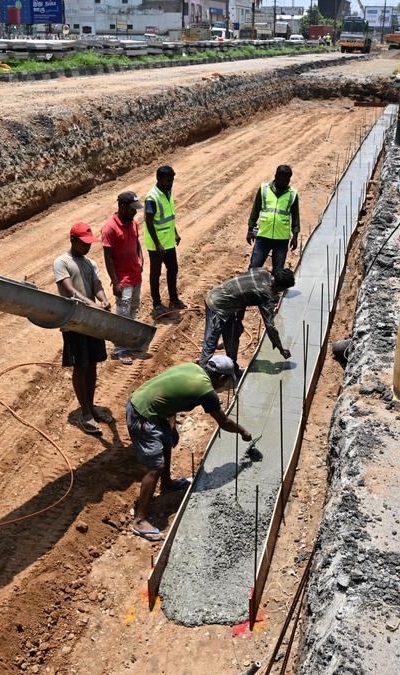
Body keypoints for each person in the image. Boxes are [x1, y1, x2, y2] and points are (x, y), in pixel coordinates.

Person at [127, 355, 252, 540]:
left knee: (167, 442)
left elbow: (171, 394)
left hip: (150, 406)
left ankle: (167, 484)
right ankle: (139, 520)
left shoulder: (192, 369)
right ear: (221, 378)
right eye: (226, 381)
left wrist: (172, 426)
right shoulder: (206, 391)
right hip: (142, 413)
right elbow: (223, 422)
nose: (225, 385)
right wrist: (243, 432)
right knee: (155, 467)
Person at [53, 223, 113, 436]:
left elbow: (96, 284)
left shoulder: (90, 263)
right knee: (81, 367)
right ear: (73, 240)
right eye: (84, 243)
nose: (88, 247)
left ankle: (91, 405)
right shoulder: (62, 262)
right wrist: (91, 304)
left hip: (92, 322)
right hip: (74, 323)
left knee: (93, 365)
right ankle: (85, 412)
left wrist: (103, 299)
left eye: (89, 243)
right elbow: (69, 289)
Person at [198, 268, 295, 373]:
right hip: (217, 303)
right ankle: (203, 374)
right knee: (211, 341)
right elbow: (270, 326)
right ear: (280, 287)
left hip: (230, 305)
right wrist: (280, 348)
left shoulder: (262, 272)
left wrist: (238, 320)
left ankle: (232, 368)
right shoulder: (265, 293)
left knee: (233, 336)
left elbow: (243, 293)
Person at [101, 191, 145, 365]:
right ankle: (120, 349)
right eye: (132, 209)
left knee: (133, 309)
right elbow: (108, 257)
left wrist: (141, 257)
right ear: (122, 207)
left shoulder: (132, 223)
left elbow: (136, 242)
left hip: (135, 275)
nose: (135, 212)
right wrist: (116, 282)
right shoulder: (109, 228)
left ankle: (131, 342)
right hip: (123, 280)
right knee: (122, 314)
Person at [144, 165, 184, 316]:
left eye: (172, 180)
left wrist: (175, 233)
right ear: (159, 179)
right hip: (157, 246)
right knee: (155, 273)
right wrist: (157, 244)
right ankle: (157, 304)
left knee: (173, 269)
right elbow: (148, 222)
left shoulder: (167, 192)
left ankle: (173, 299)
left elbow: (169, 217)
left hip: (168, 242)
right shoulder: (152, 198)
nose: (171, 183)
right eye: (168, 180)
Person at [247, 165, 301, 272]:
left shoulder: (292, 194)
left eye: (287, 180)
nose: (284, 183)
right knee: (254, 267)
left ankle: (274, 288)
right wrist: (250, 229)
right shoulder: (264, 189)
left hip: (281, 239)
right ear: (275, 176)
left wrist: (295, 236)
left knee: (278, 271)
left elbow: (295, 217)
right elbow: (255, 210)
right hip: (263, 236)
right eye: (281, 180)